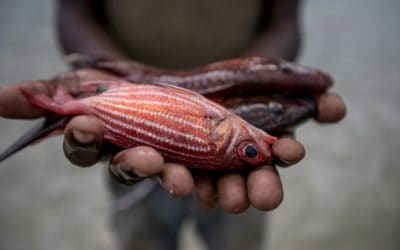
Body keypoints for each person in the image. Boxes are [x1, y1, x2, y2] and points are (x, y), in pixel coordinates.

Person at [0, 0, 346, 249]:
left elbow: (283, 18)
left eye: (252, 148)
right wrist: (109, 71)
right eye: (250, 149)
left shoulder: (225, 131)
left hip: (147, 133)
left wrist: (264, 72)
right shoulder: (227, 127)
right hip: (126, 148)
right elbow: (75, 10)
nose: (259, 144)